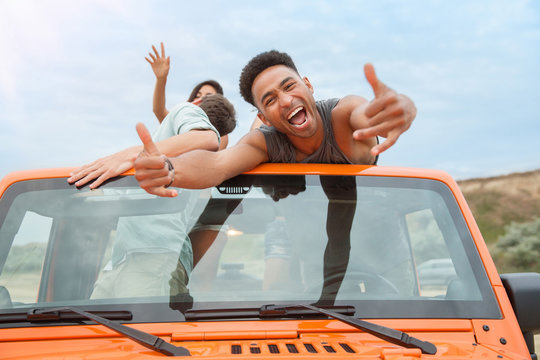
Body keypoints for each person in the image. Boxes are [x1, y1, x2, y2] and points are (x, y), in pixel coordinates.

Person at [133, 49, 416, 197]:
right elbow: (217, 165)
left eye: (289, 86)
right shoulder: (265, 142)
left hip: (379, 229)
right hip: (310, 245)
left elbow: (368, 114)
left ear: (308, 85)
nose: (284, 101)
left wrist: (397, 109)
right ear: (263, 118)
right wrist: (169, 168)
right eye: (269, 100)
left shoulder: (344, 114)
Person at [145, 42, 229, 149]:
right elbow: (158, 110)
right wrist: (161, 79)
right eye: (197, 96)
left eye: (208, 96)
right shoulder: (180, 119)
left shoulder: (219, 134)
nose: (201, 99)